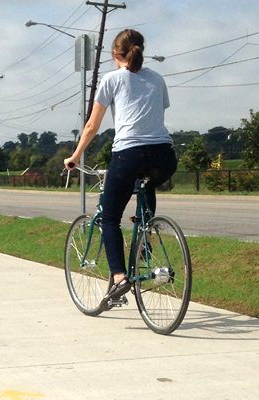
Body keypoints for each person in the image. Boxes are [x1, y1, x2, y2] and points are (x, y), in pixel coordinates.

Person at [63, 29, 177, 302]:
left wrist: (75, 156)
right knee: (146, 183)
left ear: (116, 55)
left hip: (128, 155)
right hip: (165, 156)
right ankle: (146, 238)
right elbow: (156, 115)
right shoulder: (157, 78)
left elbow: (92, 125)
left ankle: (118, 279)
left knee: (110, 218)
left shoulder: (112, 79)